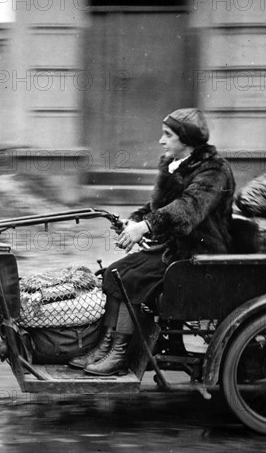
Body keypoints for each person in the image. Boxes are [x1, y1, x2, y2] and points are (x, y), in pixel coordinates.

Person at [69, 108, 235, 376]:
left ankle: (120, 354)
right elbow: (158, 207)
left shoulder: (214, 171)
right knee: (114, 273)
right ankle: (107, 345)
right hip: (173, 251)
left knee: (131, 280)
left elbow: (187, 209)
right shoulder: (175, 163)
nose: (161, 140)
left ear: (187, 139)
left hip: (199, 257)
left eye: (168, 135)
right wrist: (135, 223)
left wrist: (146, 227)